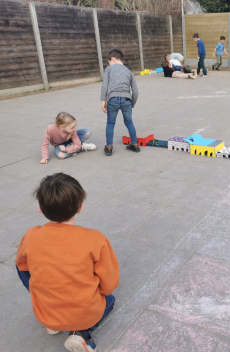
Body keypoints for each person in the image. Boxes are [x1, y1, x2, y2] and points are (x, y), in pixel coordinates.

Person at [16, 173, 119, 352]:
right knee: (110, 300)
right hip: (84, 313)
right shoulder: (95, 239)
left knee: (21, 266)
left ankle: (53, 322)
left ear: (40, 208)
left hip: (46, 313)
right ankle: (81, 334)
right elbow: (108, 284)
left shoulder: (30, 235)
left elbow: (23, 267)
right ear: (80, 207)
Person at [101, 49, 139, 156]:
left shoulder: (109, 69)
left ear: (112, 59)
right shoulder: (129, 71)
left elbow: (105, 85)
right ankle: (135, 145)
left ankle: (109, 147)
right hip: (127, 99)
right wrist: (132, 103)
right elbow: (136, 91)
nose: (109, 64)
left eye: (109, 61)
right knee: (129, 122)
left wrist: (103, 100)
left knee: (110, 123)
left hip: (112, 99)